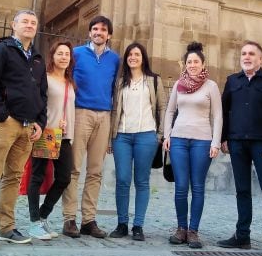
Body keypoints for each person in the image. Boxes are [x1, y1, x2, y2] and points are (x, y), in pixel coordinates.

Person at [0, 9, 47, 249]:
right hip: (4, 123)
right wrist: (2, 114)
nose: (29, 25)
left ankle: (6, 227)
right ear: (14, 25)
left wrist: (40, 122)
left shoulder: (37, 58)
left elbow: (42, 94)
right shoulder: (1, 51)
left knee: (13, 177)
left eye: (33, 23)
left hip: (27, 127)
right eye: (24, 21)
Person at [217, 41, 262, 256]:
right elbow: (224, 112)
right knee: (242, 190)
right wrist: (224, 138)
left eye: (252, 54)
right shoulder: (232, 81)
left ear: (260, 59)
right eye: (244, 53)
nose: (247, 57)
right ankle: (242, 235)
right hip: (237, 143)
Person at [62, 15, 120, 238]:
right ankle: (69, 219)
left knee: (95, 171)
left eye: (103, 30)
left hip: (103, 116)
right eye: (95, 29)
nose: (99, 33)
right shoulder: (76, 54)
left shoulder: (114, 59)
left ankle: (89, 219)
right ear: (89, 33)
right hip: (80, 113)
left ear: (109, 35)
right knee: (74, 168)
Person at [163, 41, 222, 249]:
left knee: (197, 187)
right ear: (185, 64)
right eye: (189, 62)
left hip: (202, 141)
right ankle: (181, 229)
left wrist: (215, 141)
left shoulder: (211, 86)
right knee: (180, 186)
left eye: (196, 61)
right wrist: (167, 135)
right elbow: (169, 111)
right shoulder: (178, 85)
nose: (192, 64)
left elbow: (217, 115)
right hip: (178, 139)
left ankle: (193, 231)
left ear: (203, 64)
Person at [108, 42, 167, 241]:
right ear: (126, 58)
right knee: (123, 179)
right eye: (130, 54)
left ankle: (138, 225)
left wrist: (159, 135)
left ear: (143, 58)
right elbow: (114, 110)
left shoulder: (154, 80)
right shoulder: (119, 82)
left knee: (142, 181)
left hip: (146, 136)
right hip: (122, 136)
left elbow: (162, 108)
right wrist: (111, 135)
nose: (133, 57)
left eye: (137, 54)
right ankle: (122, 223)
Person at [26, 41, 76, 240]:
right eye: (60, 53)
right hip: (46, 131)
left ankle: (43, 215)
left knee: (64, 177)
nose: (64, 57)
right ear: (52, 57)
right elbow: (38, 102)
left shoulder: (70, 82)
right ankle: (33, 222)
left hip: (63, 135)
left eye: (67, 54)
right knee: (37, 176)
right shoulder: (44, 78)